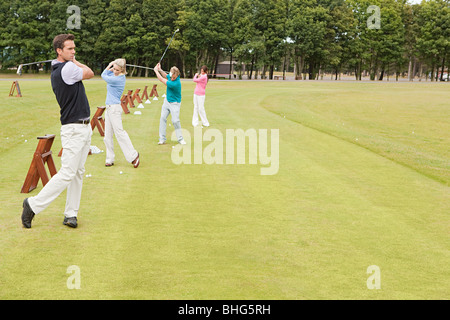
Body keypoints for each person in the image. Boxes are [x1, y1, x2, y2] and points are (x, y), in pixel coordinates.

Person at [21, 33, 94, 229]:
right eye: (70, 49)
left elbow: (85, 72)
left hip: (83, 127)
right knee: (68, 173)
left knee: (78, 172)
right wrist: (75, 61)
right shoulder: (67, 68)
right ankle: (32, 204)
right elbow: (90, 72)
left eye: (74, 49)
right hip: (74, 128)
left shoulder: (63, 67)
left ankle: (71, 214)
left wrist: (72, 59)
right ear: (59, 51)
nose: (73, 52)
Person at [101, 59, 140, 168]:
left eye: (117, 70)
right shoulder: (114, 75)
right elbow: (108, 73)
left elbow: (103, 75)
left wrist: (109, 64)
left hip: (114, 109)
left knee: (120, 133)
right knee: (107, 136)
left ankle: (133, 156)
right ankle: (110, 159)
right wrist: (113, 66)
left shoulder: (119, 79)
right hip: (109, 108)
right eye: (114, 69)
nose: (114, 71)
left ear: (122, 70)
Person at [153, 63, 186, 145]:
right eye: (171, 76)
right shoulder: (171, 76)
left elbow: (161, 79)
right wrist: (160, 69)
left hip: (175, 103)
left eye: (173, 77)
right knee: (162, 118)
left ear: (177, 75)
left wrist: (156, 71)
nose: (171, 78)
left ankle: (180, 139)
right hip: (167, 101)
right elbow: (165, 75)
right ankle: (162, 139)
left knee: (175, 121)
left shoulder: (176, 83)